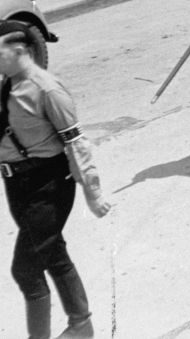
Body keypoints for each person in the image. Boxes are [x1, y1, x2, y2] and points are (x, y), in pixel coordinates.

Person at [0, 19, 111, 339]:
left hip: (47, 186)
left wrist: (94, 194)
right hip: (17, 185)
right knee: (51, 252)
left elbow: (77, 144)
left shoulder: (47, 89)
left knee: (25, 269)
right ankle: (81, 325)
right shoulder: (9, 83)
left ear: (19, 50)